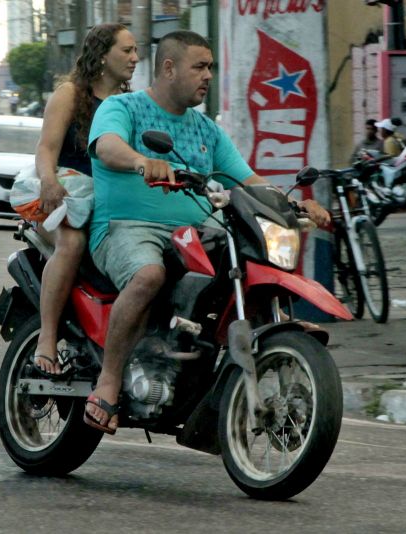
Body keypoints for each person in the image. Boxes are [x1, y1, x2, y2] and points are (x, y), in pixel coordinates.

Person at [83, 30, 330, 433]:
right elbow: (107, 146)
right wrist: (142, 162)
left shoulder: (207, 131)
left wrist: (295, 203)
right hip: (126, 227)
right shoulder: (122, 107)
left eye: (210, 67)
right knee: (148, 275)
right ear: (169, 68)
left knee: (241, 263)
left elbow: (249, 180)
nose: (208, 75)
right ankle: (107, 384)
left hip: (195, 229)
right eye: (200, 66)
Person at [31, 23, 139, 377]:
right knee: (73, 242)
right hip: (65, 199)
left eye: (136, 50)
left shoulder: (131, 104)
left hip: (110, 206)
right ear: (102, 54)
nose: (135, 58)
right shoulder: (70, 94)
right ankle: (46, 337)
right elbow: (46, 148)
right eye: (126, 50)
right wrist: (48, 181)